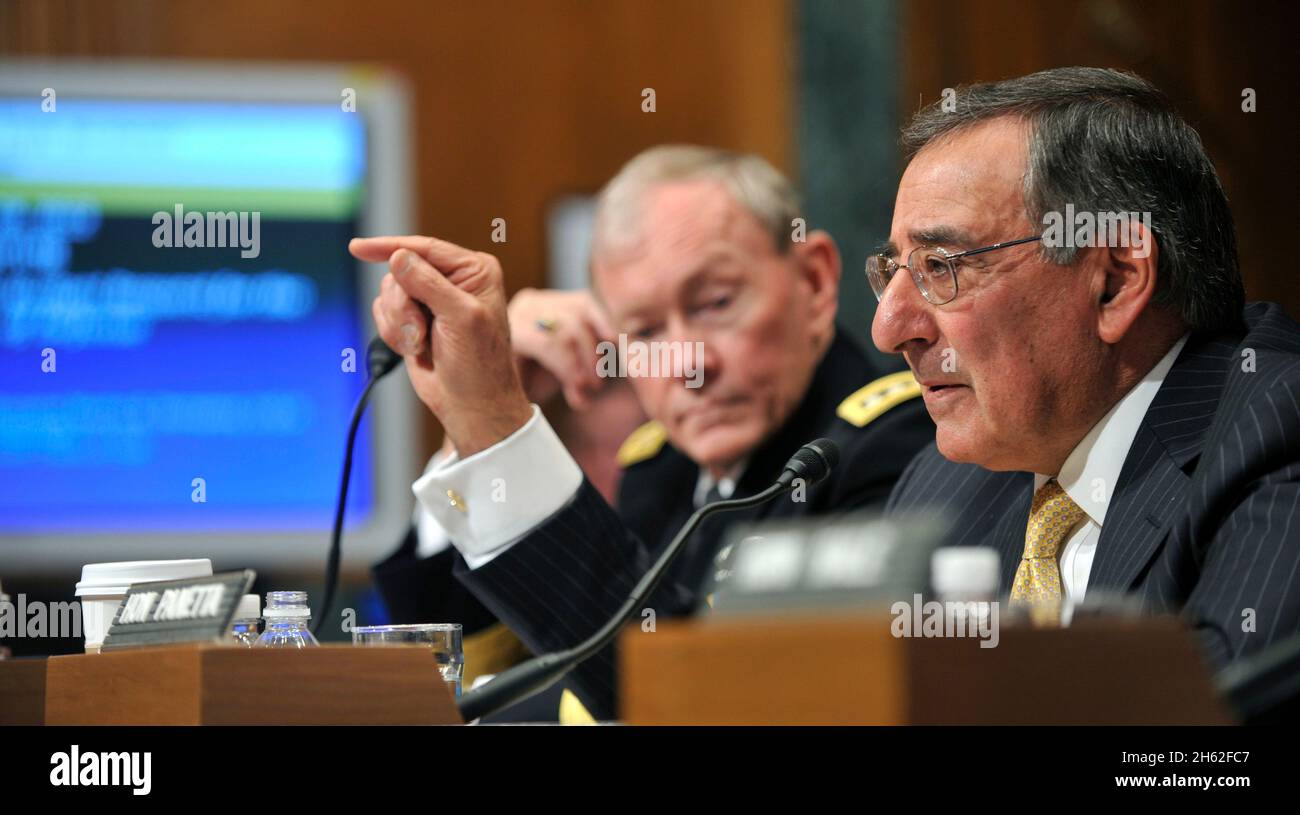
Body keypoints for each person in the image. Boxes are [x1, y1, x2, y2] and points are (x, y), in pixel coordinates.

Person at [353, 146, 935, 720]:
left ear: (813, 281)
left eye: (716, 303)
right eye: (646, 330)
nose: (687, 363)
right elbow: (491, 664)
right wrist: (469, 431)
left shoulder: (900, 446)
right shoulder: (660, 470)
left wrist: (499, 433)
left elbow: (710, 702)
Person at [873, 67, 1300, 663]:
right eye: (891, 272)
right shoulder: (944, 486)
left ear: (1117, 283)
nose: (888, 329)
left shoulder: (1275, 436)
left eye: (941, 267)